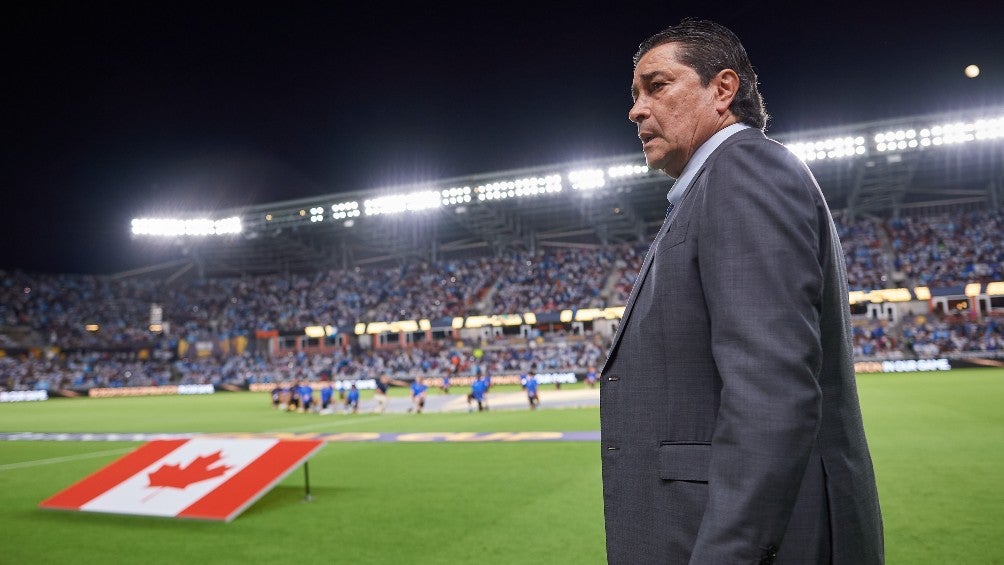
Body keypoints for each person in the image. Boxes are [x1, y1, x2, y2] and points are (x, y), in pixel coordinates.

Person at [600, 19, 883, 564]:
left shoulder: (743, 171)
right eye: (634, 94)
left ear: (722, 89)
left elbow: (771, 392)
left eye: (657, 86)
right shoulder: (715, 185)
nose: (636, 109)